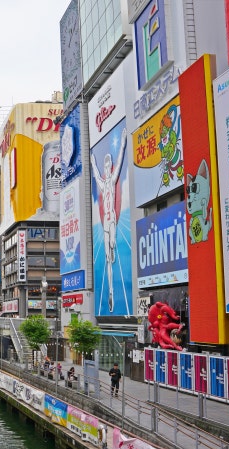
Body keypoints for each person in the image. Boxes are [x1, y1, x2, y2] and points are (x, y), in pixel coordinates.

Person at [90, 128, 127, 313]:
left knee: (112, 245)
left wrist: (123, 143)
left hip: (112, 220)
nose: (107, 168)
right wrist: (92, 162)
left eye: (108, 165)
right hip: (105, 222)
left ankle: (112, 249)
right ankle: (111, 291)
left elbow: (120, 161)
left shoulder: (112, 181)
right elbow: (96, 174)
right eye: (105, 165)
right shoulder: (103, 184)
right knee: (107, 258)